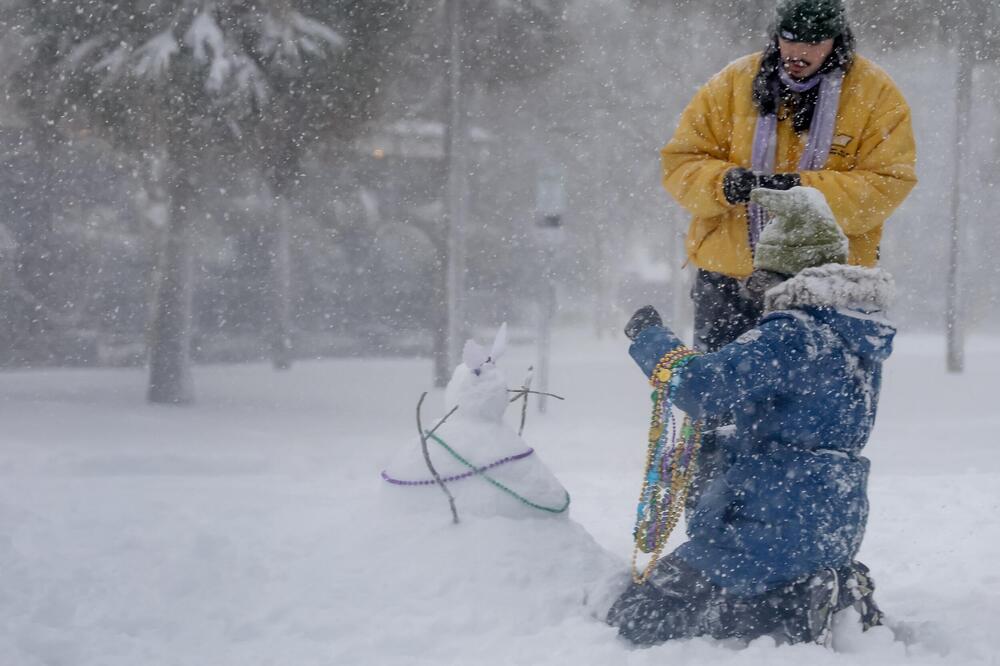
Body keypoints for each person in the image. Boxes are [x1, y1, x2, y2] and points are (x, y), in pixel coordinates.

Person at [607, 186, 893, 646]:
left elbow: (703, 389)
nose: (756, 294)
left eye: (762, 280)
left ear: (787, 274)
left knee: (639, 615)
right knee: (752, 587)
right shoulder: (856, 338)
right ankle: (823, 584)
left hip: (767, 522)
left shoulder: (792, 334)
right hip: (832, 519)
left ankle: (793, 598)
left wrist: (650, 337)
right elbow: (803, 422)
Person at [660, 0, 916, 509]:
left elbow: (889, 182)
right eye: (788, 40)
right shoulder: (731, 83)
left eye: (813, 43)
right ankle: (709, 524)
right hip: (729, 281)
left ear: (836, 43)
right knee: (716, 414)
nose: (797, 53)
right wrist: (722, 183)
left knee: (804, 422)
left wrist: (800, 189)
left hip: (822, 292)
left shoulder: (877, 95)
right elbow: (679, 164)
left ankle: (787, 535)